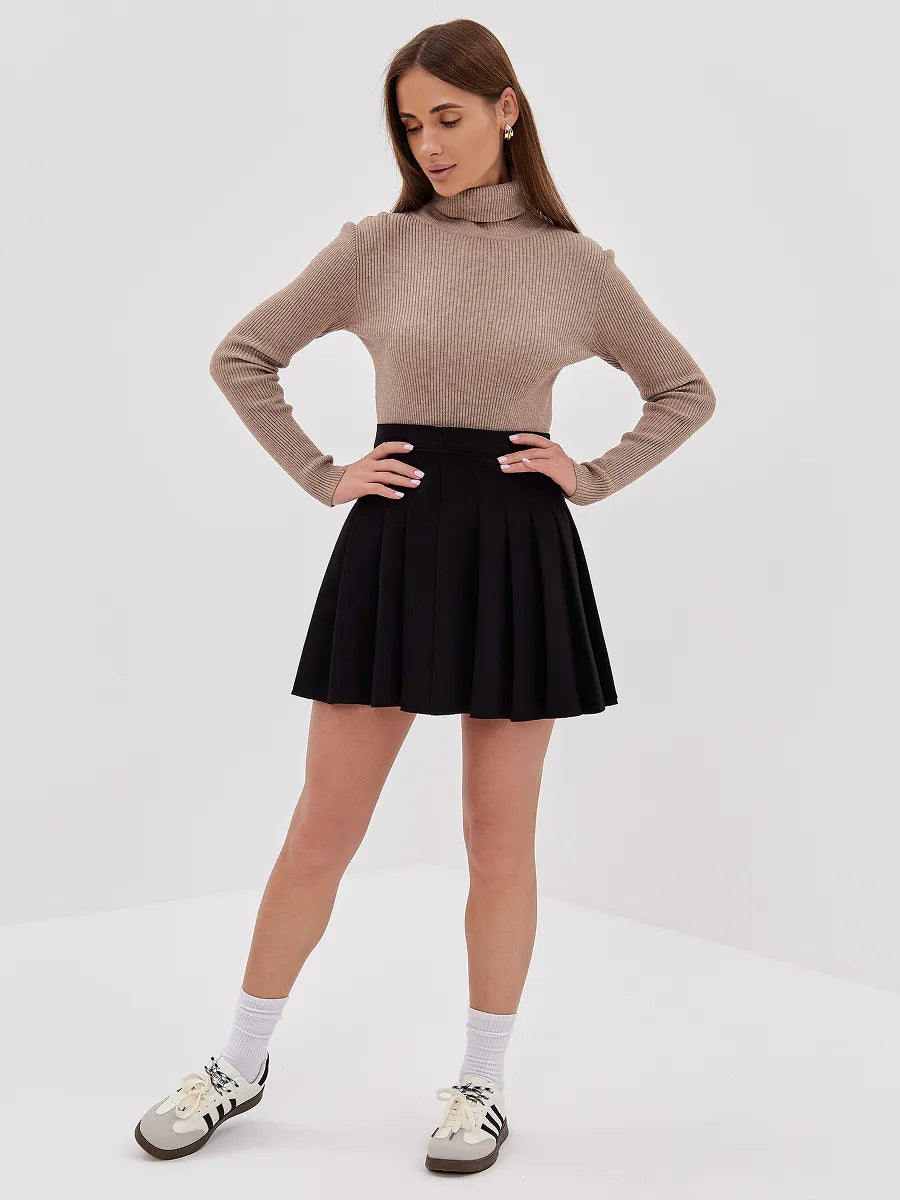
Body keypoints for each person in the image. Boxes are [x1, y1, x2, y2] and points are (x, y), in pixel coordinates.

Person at [133, 17, 716, 1174]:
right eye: (411, 125)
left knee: (499, 843)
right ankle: (239, 1062)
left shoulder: (576, 267)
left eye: (448, 117)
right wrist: (322, 474)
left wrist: (591, 475)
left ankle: (480, 1085)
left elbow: (683, 390)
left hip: (517, 549)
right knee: (322, 827)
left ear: (508, 108)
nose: (429, 145)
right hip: (393, 542)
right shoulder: (376, 248)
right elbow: (243, 356)